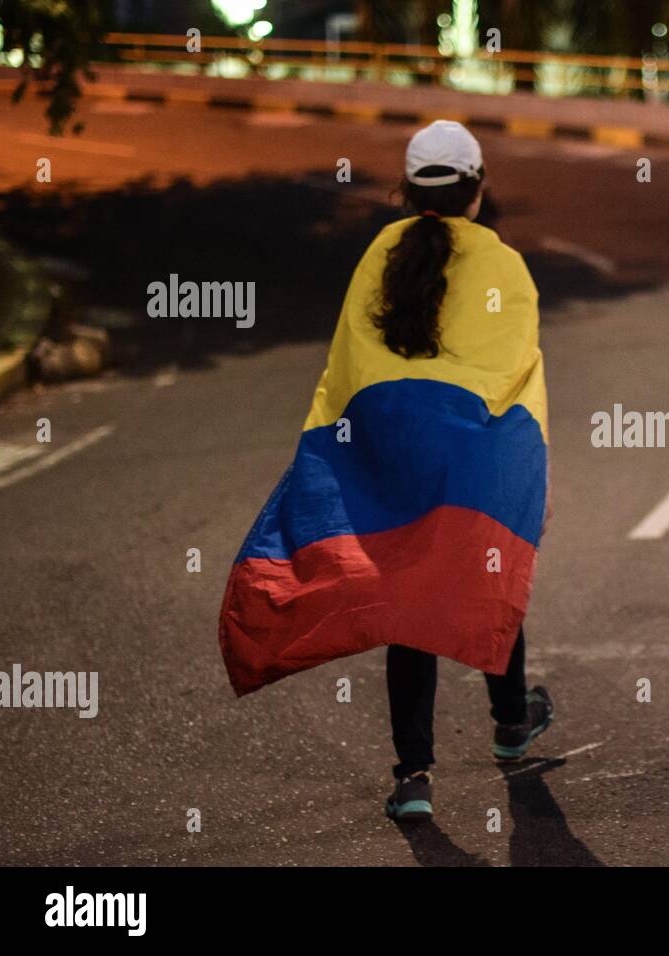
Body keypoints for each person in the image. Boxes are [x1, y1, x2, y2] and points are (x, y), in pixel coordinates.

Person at [218, 121, 554, 823]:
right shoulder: (502, 264)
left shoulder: (379, 252)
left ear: (403, 191)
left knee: (407, 601)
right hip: (469, 460)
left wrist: (347, 454)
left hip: (395, 452)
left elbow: (346, 368)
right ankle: (510, 725)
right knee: (487, 575)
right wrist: (524, 483)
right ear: (478, 190)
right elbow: (515, 377)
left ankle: (414, 778)